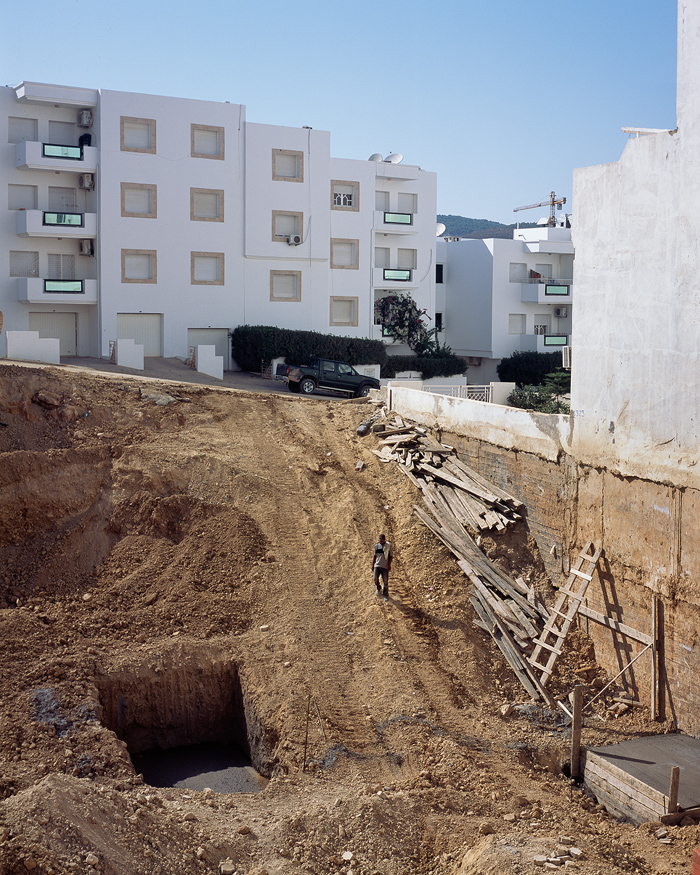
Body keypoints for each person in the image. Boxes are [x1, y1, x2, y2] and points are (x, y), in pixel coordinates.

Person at [372, 533, 393, 601]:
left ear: (384, 540)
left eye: (382, 540)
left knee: (385, 581)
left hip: (385, 566)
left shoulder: (388, 546)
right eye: (380, 540)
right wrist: (373, 565)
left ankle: (386, 594)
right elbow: (375, 556)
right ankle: (378, 588)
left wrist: (389, 565)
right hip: (377, 565)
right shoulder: (377, 546)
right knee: (375, 578)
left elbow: (391, 556)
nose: (380, 541)